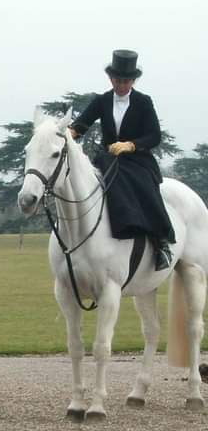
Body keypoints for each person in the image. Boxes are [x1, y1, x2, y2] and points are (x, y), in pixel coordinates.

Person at [70, 49, 174, 271]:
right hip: (108, 158)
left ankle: (160, 243)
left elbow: (154, 135)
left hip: (137, 159)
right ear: (111, 79)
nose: (121, 85)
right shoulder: (102, 101)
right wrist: (64, 135)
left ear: (133, 80)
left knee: (146, 189)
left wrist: (131, 145)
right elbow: (81, 125)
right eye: (118, 80)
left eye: (126, 81)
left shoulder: (144, 102)